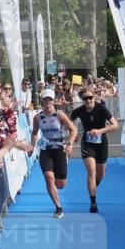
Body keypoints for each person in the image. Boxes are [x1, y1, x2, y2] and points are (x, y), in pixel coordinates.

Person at [31, 88, 78, 218]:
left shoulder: (60, 115)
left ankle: (59, 187)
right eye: (45, 99)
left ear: (53, 101)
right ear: (42, 100)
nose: (48, 101)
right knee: (49, 178)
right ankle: (58, 207)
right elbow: (34, 133)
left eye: (50, 99)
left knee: (60, 184)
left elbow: (73, 130)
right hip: (45, 150)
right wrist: (31, 147)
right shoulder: (37, 117)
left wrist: (70, 144)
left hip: (60, 150)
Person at [71, 88, 118, 213]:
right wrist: (73, 134)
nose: (88, 100)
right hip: (87, 144)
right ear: (82, 100)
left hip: (101, 143)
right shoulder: (79, 111)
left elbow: (115, 124)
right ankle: (93, 202)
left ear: (94, 97)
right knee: (91, 171)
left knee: (100, 175)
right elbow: (68, 122)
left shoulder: (101, 108)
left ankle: (93, 186)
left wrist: (100, 131)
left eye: (90, 97)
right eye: (85, 98)